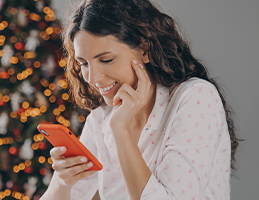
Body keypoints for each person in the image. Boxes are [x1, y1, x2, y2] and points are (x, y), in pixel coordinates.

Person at [40, 0, 242, 199]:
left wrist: (121, 131)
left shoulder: (195, 98)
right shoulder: (100, 119)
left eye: (106, 60)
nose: (92, 78)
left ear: (144, 49)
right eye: (83, 63)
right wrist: (62, 182)